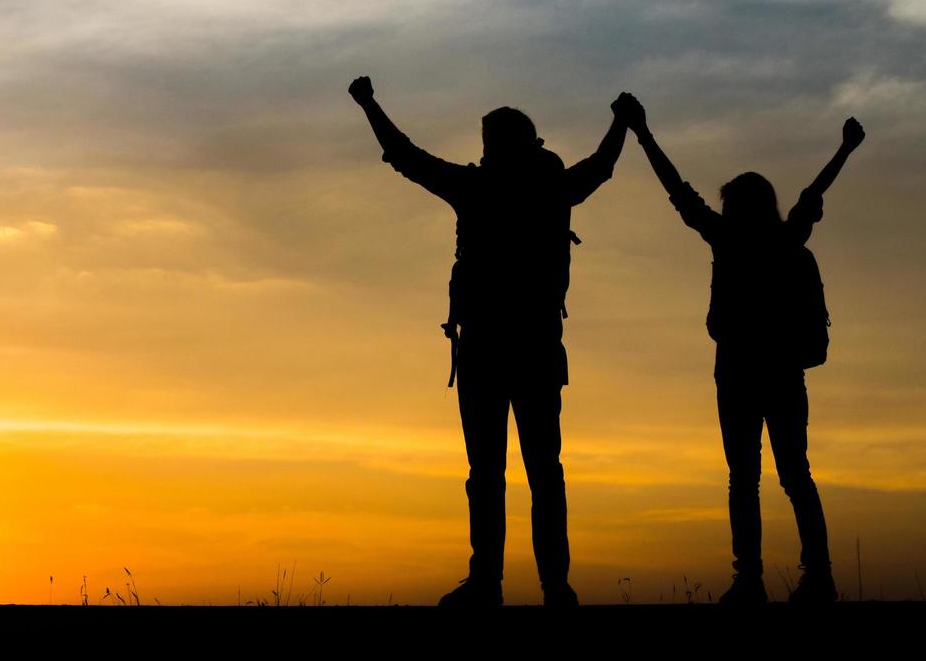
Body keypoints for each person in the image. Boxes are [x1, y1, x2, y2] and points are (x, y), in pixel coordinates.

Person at [349, 76, 633, 608]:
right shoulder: (550, 189)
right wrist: (622, 122)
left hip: (495, 348)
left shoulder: (480, 188)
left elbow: (407, 157)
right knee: (532, 471)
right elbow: (601, 165)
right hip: (528, 347)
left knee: (498, 472)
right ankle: (542, 584)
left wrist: (370, 105)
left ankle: (498, 583)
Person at [612, 93, 864, 605]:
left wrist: (642, 134)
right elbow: (813, 193)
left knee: (747, 479)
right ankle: (814, 577)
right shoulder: (786, 239)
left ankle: (755, 579)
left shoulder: (726, 238)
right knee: (793, 475)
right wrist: (845, 149)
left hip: (741, 373)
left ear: (733, 206)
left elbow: (677, 189)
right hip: (780, 374)